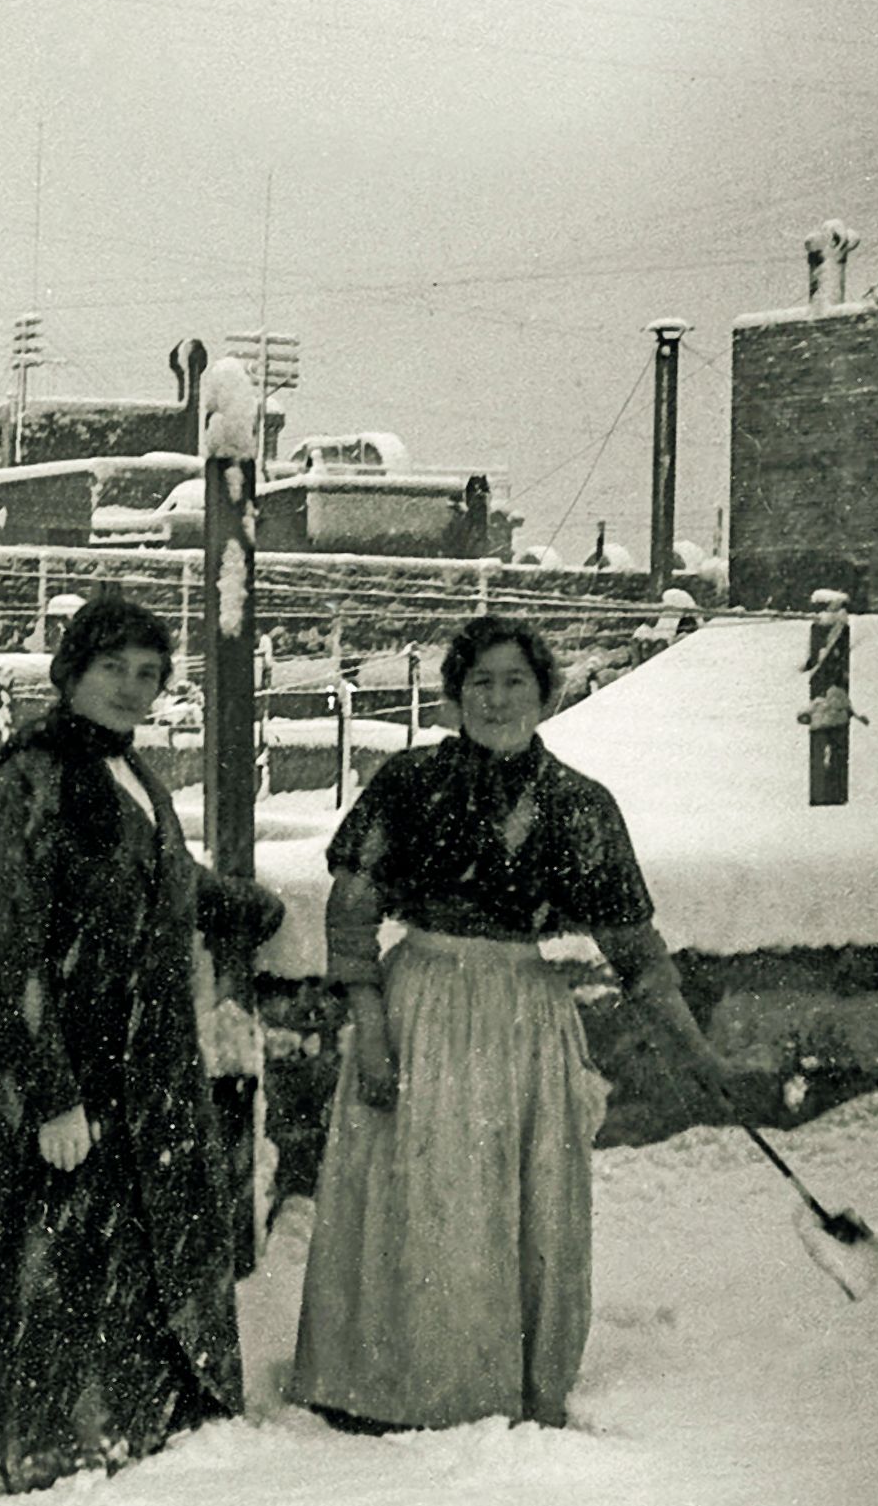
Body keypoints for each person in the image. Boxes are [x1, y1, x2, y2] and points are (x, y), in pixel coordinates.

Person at [289, 614, 743, 1434]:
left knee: (513, 1202)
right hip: (419, 1001)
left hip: (522, 1018)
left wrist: (695, 1049)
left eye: (514, 683)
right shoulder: (408, 784)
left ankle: (505, 1384)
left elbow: (634, 950)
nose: (496, 700)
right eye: (479, 684)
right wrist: (372, 1026)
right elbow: (351, 909)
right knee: (417, 1193)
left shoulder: (578, 806)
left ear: (544, 694)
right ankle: (394, 1382)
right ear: (456, 695)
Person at [0, 594, 288, 1492]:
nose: (131, 689)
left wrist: (242, 907)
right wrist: (47, 1091)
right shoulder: (27, 778)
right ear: (71, 670)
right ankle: (57, 1453)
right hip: (76, 1068)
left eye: (148, 675)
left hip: (149, 1065)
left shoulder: (130, 773)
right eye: (113, 668)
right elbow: (6, 945)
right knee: (63, 1273)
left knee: (148, 1261)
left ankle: (151, 1433)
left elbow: (156, 876)